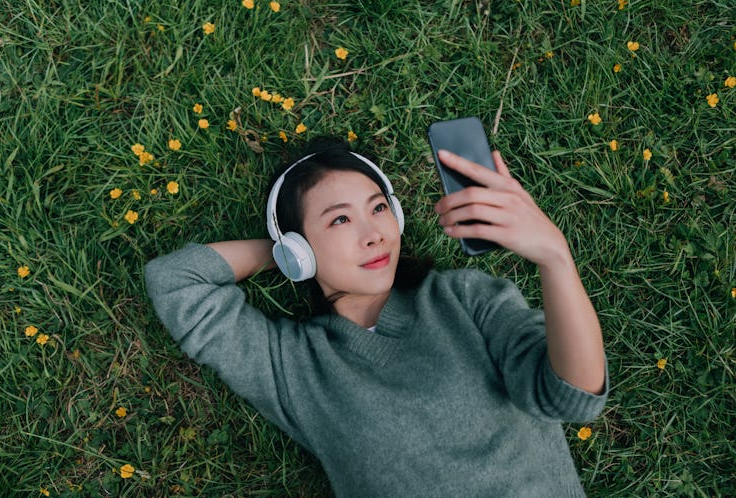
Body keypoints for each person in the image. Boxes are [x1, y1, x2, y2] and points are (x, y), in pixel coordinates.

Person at [145, 136, 608, 497]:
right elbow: (176, 282)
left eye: (379, 208)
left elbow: (573, 397)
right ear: (299, 249)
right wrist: (284, 253)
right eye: (340, 220)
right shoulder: (294, 367)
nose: (373, 234)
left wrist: (555, 259)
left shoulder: (464, 297)